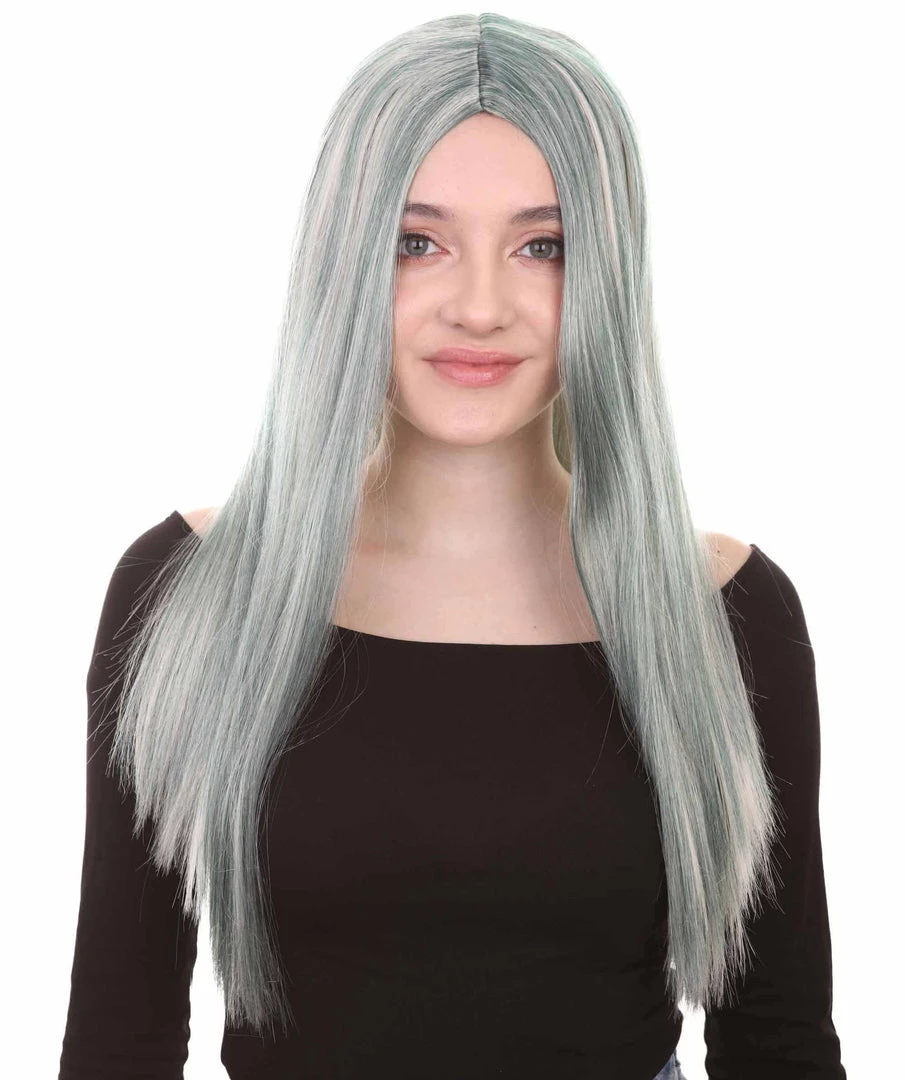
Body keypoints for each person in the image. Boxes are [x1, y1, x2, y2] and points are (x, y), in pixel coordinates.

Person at [58, 13, 846, 1079]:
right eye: (416, 242)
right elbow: (120, 1038)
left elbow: (777, 1041)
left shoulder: (727, 612)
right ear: (342, 260)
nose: (479, 307)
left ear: (606, 272)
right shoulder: (188, 593)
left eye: (542, 246)